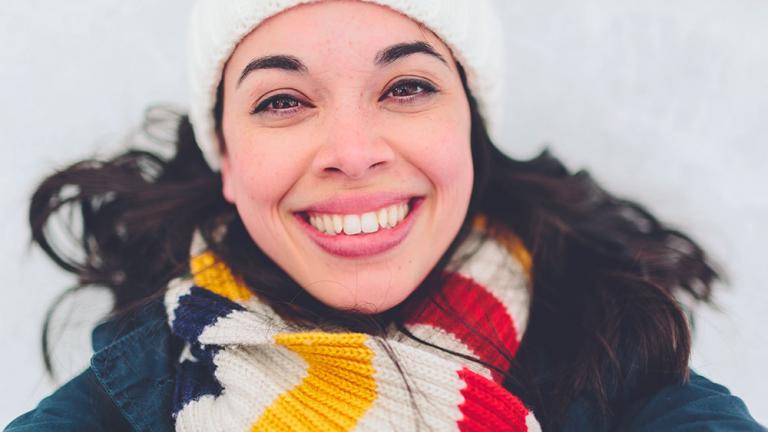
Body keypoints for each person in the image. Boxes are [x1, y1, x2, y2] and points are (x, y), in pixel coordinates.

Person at [5, 1, 766, 431]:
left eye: (405, 87)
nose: (352, 151)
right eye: (282, 100)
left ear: (470, 127)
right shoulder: (118, 406)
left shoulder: (625, 369)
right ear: (227, 164)